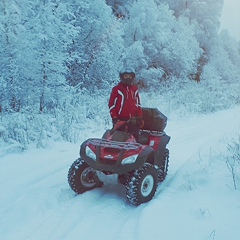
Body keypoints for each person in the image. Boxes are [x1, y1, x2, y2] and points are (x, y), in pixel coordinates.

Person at [108, 67, 143, 141]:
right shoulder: (117, 89)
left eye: (130, 76)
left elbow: (138, 104)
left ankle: (136, 152)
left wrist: (139, 116)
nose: (128, 78)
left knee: (135, 138)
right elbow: (111, 104)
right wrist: (114, 117)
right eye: (126, 76)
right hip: (119, 119)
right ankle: (116, 152)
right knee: (118, 138)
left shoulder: (134, 89)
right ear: (122, 77)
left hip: (133, 119)